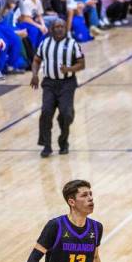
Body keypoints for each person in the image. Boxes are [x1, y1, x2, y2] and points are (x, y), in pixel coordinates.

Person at [31, 18, 84, 157]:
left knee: (66, 114)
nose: (59, 29)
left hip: (67, 83)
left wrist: (69, 69)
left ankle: (63, 141)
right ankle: (47, 146)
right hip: (49, 83)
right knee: (46, 113)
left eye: (62, 26)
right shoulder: (45, 43)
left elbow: (81, 63)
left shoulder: (72, 44)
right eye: (56, 27)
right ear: (51, 29)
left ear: (65, 29)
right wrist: (35, 74)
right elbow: (37, 60)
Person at [0, 0, 31, 73]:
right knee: (4, 43)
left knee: (15, 40)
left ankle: (11, 66)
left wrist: (23, 13)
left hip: (1, 23)